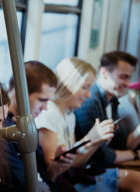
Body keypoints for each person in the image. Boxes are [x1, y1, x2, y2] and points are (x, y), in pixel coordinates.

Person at [74, 51, 140, 191]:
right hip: (87, 172)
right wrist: (138, 155)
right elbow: (102, 156)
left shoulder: (113, 101)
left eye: (129, 78)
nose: (127, 83)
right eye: (123, 77)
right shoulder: (90, 102)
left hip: (100, 166)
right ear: (104, 72)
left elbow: (123, 142)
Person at [36, 58, 116, 191]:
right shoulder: (48, 114)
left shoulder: (69, 116)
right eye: (84, 87)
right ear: (68, 84)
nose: (89, 95)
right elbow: (55, 170)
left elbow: (76, 163)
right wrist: (90, 139)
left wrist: (96, 141)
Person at [6, 60, 75, 191]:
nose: (45, 108)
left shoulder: (29, 126)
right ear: (19, 94)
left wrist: (55, 167)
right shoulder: (5, 131)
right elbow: (25, 185)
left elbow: (43, 177)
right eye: (42, 100)